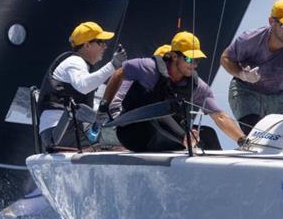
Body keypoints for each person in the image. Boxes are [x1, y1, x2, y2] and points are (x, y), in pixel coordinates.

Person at [101, 31, 246, 152]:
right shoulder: (149, 68)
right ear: (174, 56)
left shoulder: (197, 86)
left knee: (207, 134)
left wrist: (243, 140)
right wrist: (104, 106)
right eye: (190, 59)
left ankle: (216, 178)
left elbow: (220, 116)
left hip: (166, 137)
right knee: (160, 109)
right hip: (134, 134)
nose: (194, 64)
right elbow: (120, 73)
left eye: (197, 60)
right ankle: (185, 137)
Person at [220, 0, 283, 134]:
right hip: (246, 92)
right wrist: (242, 74)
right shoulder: (249, 39)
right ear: (271, 21)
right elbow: (225, 58)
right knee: (255, 135)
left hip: (279, 96)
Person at [37, 21, 126, 149]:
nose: (105, 47)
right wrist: (113, 65)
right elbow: (84, 86)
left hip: (63, 130)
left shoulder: (78, 64)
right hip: (59, 131)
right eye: (100, 42)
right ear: (87, 45)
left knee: (116, 138)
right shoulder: (74, 62)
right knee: (122, 140)